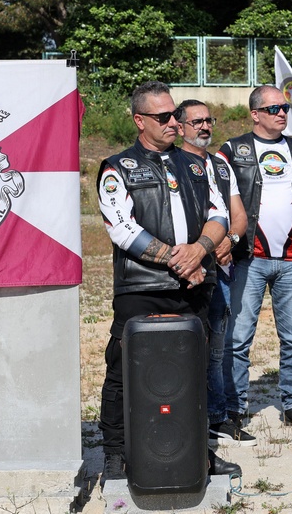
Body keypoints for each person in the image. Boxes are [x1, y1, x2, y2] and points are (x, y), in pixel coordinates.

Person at [96, 82, 240, 481]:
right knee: (123, 371)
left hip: (194, 285)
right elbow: (123, 230)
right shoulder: (116, 168)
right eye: (163, 117)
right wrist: (181, 261)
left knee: (193, 374)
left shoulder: (197, 164)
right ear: (139, 121)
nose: (174, 122)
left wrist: (199, 251)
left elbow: (220, 214)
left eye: (175, 114)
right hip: (141, 288)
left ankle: (197, 454)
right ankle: (115, 454)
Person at [217, 86, 292, 432]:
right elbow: (220, 202)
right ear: (255, 114)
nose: (282, 113)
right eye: (275, 107)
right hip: (248, 257)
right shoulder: (233, 150)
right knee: (238, 338)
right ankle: (233, 408)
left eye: (286, 107)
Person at [177, 99, 257, 447]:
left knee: (219, 347)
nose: (205, 126)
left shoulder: (222, 163)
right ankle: (189, 415)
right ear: (180, 127)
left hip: (221, 268)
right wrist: (203, 247)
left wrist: (232, 238)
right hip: (188, 267)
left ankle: (218, 417)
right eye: (196, 121)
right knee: (188, 344)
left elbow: (238, 214)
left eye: (209, 120)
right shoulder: (174, 162)